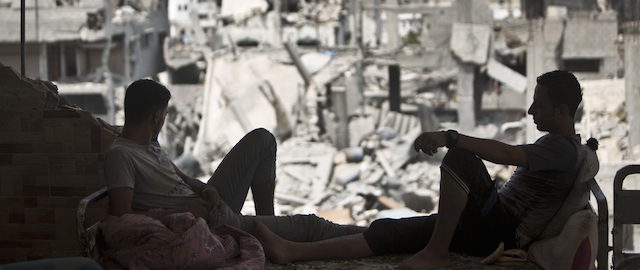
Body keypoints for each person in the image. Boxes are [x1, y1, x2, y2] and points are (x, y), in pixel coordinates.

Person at [252, 70, 586, 269]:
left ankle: (437, 253)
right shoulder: (556, 145)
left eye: (538, 104)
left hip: (501, 232)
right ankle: (292, 250)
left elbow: (506, 152)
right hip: (490, 223)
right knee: (387, 231)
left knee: (460, 159)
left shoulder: (565, 149)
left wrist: (450, 137)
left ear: (562, 111)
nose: (530, 110)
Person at [104, 79, 364, 243]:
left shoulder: (150, 145)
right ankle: (375, 235)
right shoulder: (121, 155)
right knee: (310, 225)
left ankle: (267, 225)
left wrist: (209, 189)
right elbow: (121, 218)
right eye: (165, 115)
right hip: (199, 221)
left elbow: (182, 179)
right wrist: (180, 214)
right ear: (157, 115)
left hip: (207, 206)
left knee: (262, 140)